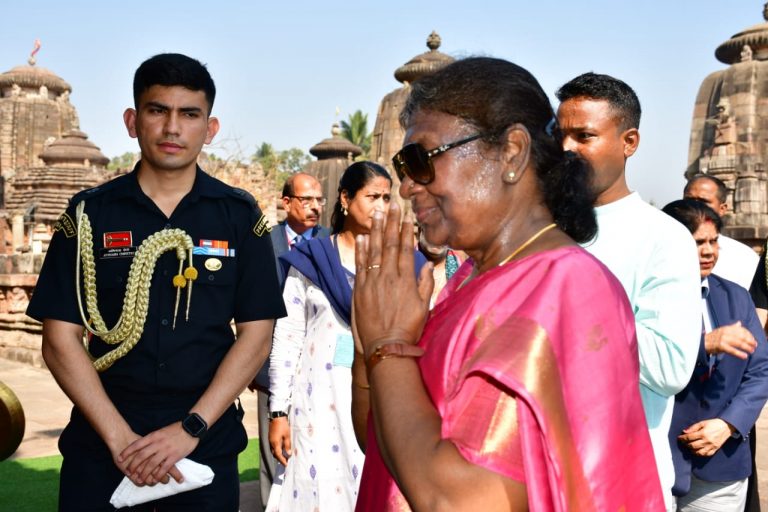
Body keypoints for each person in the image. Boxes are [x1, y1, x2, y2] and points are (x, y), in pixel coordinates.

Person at [351, 57, 664, 511]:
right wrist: (371, 350)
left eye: (421, 160)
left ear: (512, 153)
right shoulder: (468, 281)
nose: (406, 187)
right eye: (402, 167)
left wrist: (389, 344)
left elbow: (458, 501)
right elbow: (383, 447)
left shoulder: (567, 290)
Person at [26, 53, 285, 510]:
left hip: (204, 443)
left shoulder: (239, 217)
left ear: (210, 128)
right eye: (157, 110)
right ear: (132, 120)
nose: (172, 128)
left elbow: (257, 334)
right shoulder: (89, 216)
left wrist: (190, 429)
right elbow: (60, 338)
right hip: (103, 445)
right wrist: (121, 439)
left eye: (189, 114)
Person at [557, 72, 701, 509]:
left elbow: (671, 367)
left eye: (584, 136)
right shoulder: (539, 228)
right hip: (533, 473)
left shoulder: (663, 237)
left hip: (619, 481)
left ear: (629, 141)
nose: (566, 149)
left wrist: (573, 312)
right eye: (559, 135)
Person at [267, 162, 425, 511]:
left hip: (380, 400)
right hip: (316, 403)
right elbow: (289, 338)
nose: (380, 206)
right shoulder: (313, 259)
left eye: (386, 197)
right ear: (344, 199)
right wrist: (278, 411)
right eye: (372, 196)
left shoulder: (406, 264)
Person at [661, 199, 768, 511]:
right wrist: (703, 344)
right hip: (655, 457)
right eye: (697, 243)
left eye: (713, 241)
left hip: (720, 463)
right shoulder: (641, 295)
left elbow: (760, 372)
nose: (708, 251)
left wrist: (729, 424)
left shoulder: (736, 297)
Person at [251, 172, 330, 509]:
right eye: (305, 200)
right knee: (275, 449)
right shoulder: (261, 243)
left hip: (321, 363)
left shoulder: (332, 244)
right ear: (286, 203)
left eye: (319, 200)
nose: (314, 207)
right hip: (270, 363)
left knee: (323, 446)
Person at [684, 174, 758, 290]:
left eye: (704, 202)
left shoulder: (744, 259)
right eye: (689, 200)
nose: (694, 206)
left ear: (722, 209)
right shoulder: (663, 248)